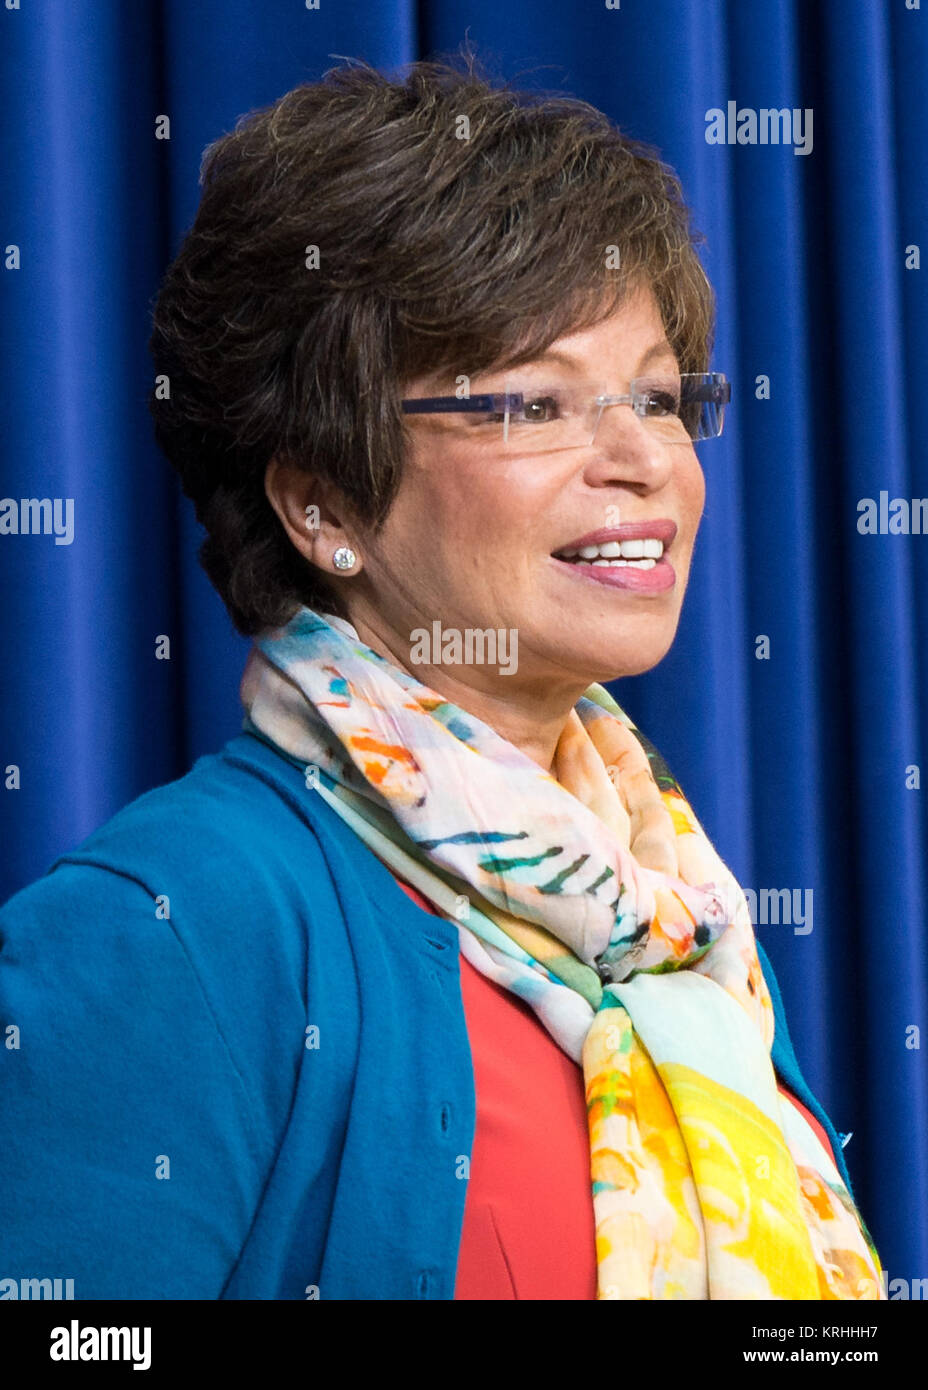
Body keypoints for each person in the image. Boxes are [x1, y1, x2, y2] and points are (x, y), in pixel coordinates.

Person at [0, 54, 883, 1301]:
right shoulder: (177, 919)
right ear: (321, 501)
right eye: (532, 404)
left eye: (656, 395)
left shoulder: (673, 921)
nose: (642, 460)